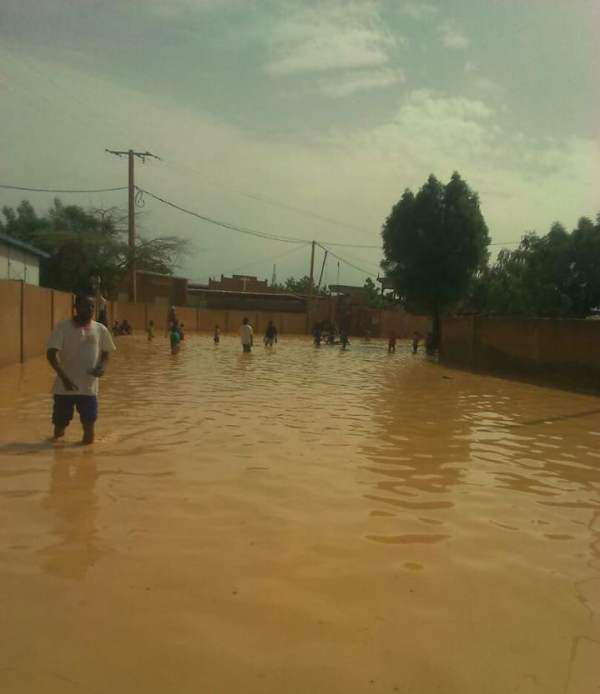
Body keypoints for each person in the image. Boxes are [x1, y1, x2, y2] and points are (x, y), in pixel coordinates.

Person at [46, 293, 116, 445]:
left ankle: (87, 461)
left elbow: (106, 354)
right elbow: (51, 354)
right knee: (59, 429)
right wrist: (64, 378)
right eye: (85, 306)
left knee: (89, 431)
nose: (89, 309)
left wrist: (101, 368)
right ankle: (57, 460)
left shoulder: (100, 329)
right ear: (76, 307)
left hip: (88, 389)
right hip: (64, 389)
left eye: (92, 306)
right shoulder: (62, 327)